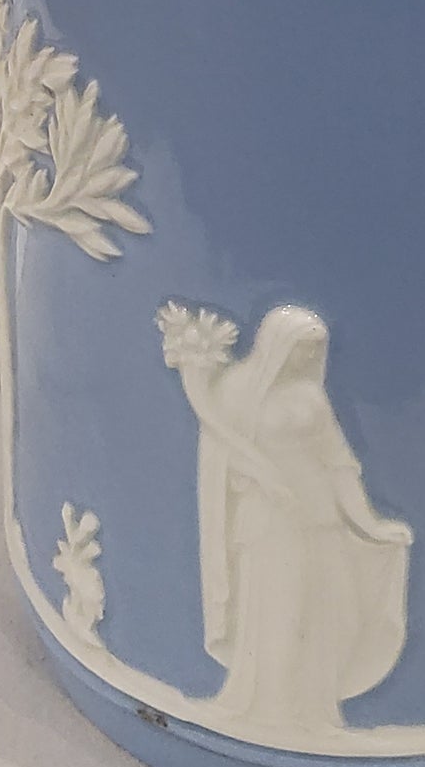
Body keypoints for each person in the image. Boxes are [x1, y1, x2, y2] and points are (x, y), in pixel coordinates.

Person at [171, 304, 412, 732]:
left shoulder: (311, 397)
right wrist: (261, 476)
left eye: (316, 349)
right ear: (276, 343)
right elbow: (221, 456)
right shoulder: (237, 390)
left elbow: (339, 465)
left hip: (320, 518)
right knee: (279, 614)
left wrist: (369, 524)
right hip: (269, 521)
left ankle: (311, 709)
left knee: (335, 613)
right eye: (302, 347)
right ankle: (272, 711)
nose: (309, 357)